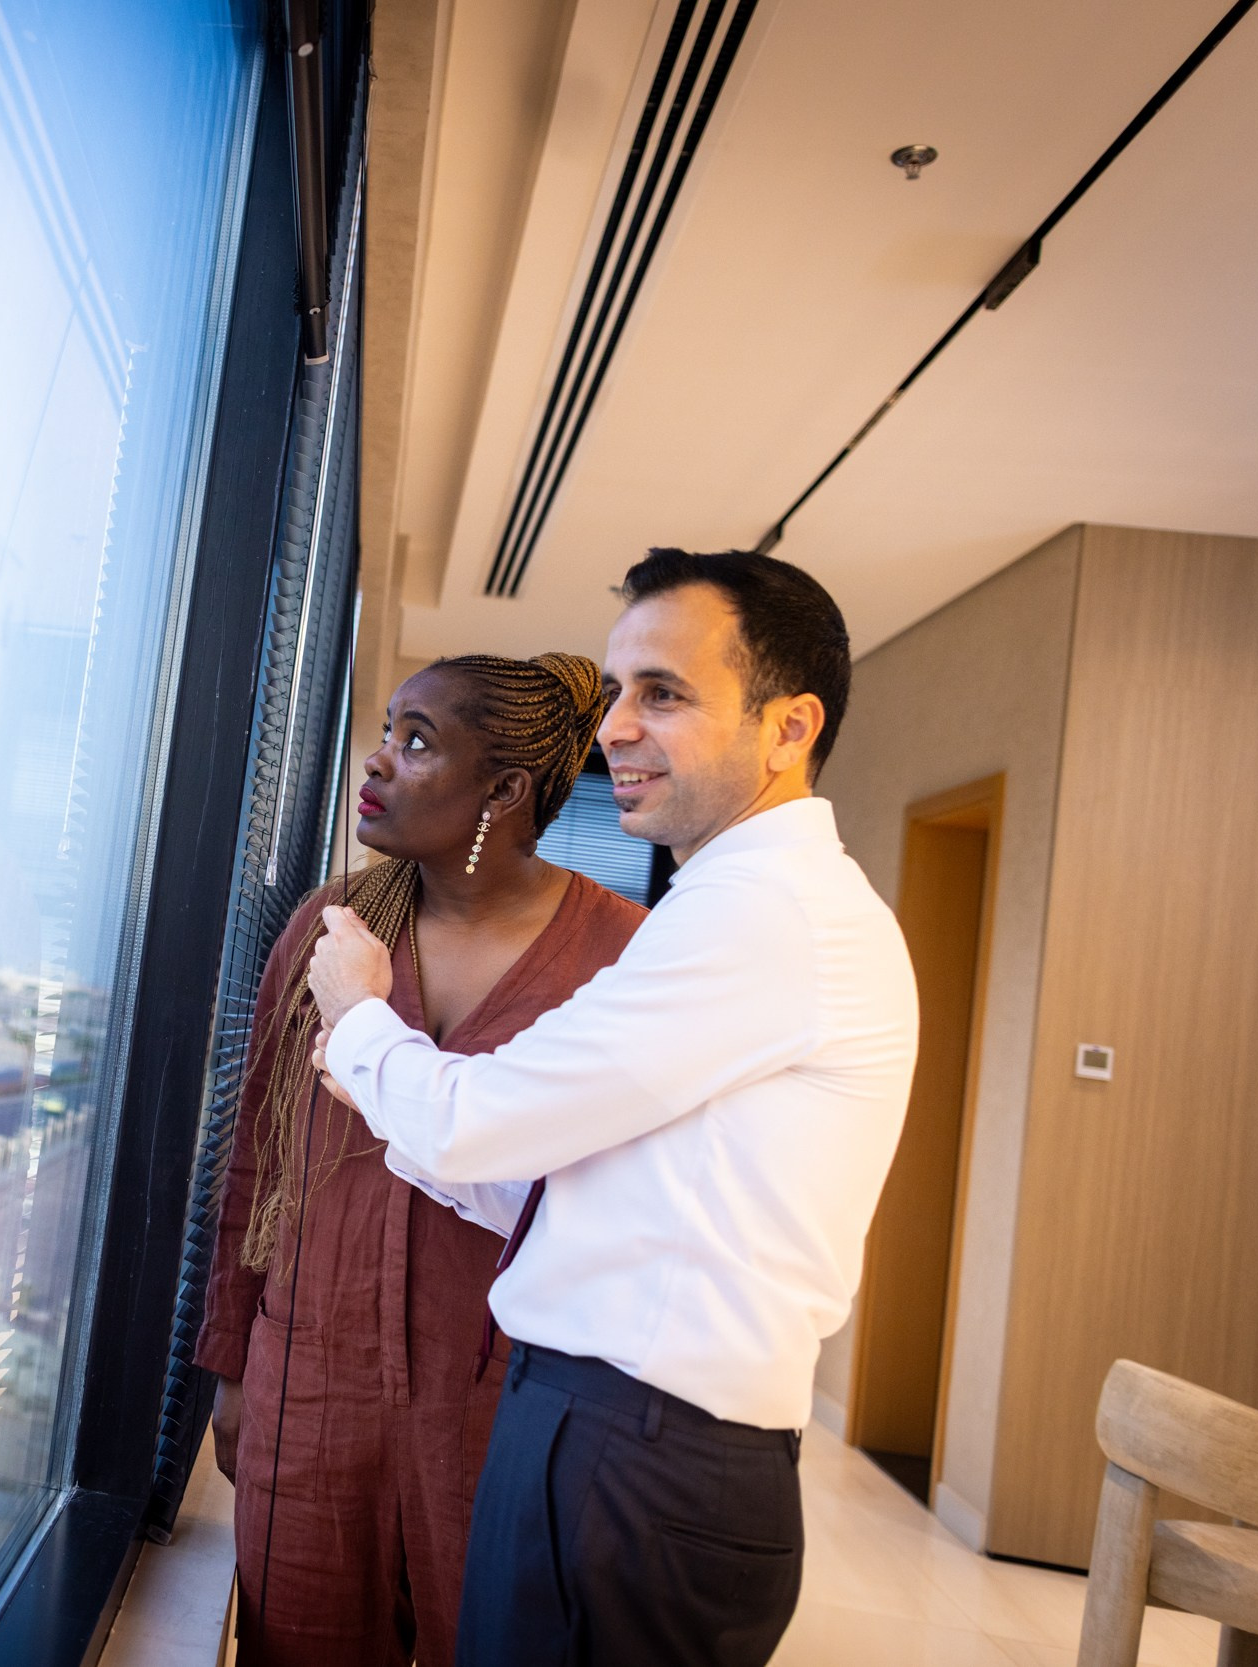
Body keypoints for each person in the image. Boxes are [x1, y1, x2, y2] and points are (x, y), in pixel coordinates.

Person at [305, 550, 920, 1667]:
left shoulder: (766, 914)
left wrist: (360, 1016)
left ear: (789, 726)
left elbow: (479, 1118)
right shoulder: (733, 905)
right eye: (619, 688)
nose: (614, 728)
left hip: (637, 1454)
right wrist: (393, 1092)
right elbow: (593, 1186)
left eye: (665, 693)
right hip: (611, 1438)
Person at [198, 652, 646, 1667]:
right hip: (307, 1389)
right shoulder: (331, 925)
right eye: (387, 729)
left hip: (505, 1406)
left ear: (504, 789)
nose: (378, 758)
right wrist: (233, 1365)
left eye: (415, 740)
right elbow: (255, 1162)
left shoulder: (621, 957)